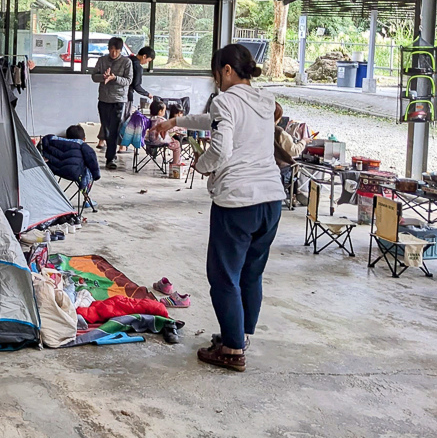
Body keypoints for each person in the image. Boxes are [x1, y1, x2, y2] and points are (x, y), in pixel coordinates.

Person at [150, 43, 285, 372]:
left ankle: (232, 350)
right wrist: (175, 122)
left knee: (224, 276)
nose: (216, 82)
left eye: (216, 74)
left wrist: (203, 166)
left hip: (238, 202)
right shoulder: (266, 101)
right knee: (251, 273)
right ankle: (239, 335)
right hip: (271, 200)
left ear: (226, 70)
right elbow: (212, 120)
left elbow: (220, 144)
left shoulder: (225, 100)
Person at [91, 37, 133, 170]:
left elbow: (128, 81)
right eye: (111, 50)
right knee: (106, 128)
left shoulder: (126, 62)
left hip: (118, 101)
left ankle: (110, 158)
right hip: (103, 99)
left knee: (114, 130)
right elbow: (93, 76)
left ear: (120, 50)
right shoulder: (102, 60)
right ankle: (111, 154)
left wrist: (115, 78)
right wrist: (103, 77)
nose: (114, 53)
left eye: (117, 50)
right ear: (108, 49)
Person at [41, 125, 101, 201]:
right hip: (73, 173)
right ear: (84, 139)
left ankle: (51, 196)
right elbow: (92, 161)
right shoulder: (83, 145)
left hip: (53, 170)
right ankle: (87, 199)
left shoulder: (54, 141)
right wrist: (96, 175)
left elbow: (44, 143)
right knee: (87, 173)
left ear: (66, 137)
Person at [118, 46, 157, 153]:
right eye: (148, 60)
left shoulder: (125, 60)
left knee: (111, 119)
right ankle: (122, 146)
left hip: (115, 94)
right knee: (125, 120)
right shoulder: (137, 66)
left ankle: (102, 142)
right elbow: (136, 86)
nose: (146, 63)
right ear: (144, 56)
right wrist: (147, 94)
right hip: (126, 96)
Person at [273, 102, 305, 199]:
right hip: (280, 170)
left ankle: (295, 194)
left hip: (262, 168)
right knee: (294, 165)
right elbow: (294, 151)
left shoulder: (257, 128)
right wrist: (303, 141)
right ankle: (294, 194)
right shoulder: (279, 132)